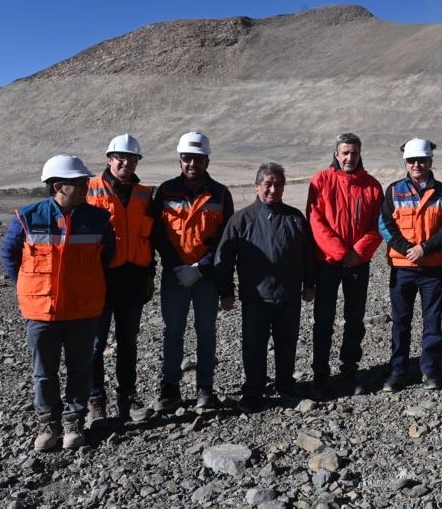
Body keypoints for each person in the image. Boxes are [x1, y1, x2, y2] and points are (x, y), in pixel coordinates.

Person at [0, 155, 115, 451]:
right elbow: (9, 256)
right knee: (44, 372)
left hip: (82, 309)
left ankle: (74, 421)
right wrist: (30, 286)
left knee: (80, 368)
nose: (86, 187)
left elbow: (107, 257)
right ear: (59, 185)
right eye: (80, 183)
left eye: (85, 182)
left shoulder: (99, 219)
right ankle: (48, 424)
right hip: (42, 312)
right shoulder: (27, 216)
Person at [216, 163, 316, 412]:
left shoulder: (294, 218)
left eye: (278, 184)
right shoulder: (241, 219)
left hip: (289, 295)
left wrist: (309, 285)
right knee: (253, 344)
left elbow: (308, 255)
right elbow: (224, 258)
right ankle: (253, 391)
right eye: (268, 184)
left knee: (287, 342)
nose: (273, 189)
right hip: (255, 297)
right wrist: (226, 292)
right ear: (257, 186)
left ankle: (286, 386)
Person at [150, 131, 233, 412]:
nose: (192, 164)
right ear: (180, 160)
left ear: (207, 161)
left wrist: (200, 268)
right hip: (174, 275)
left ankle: (205, 388)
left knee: (206, 332)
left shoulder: (220, 194)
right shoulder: (165, 191)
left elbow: (226, 238)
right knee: (173, 331)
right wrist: (177, 266)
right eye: (186, 158)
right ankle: (170, 388)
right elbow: (158, 234)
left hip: (205, 277)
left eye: (197, 159)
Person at [85, 134, 156, 426]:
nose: (126, 162)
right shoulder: (88, 189)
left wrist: (150, 273)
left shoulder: (144, 194)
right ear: (109, 158)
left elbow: (152, 236)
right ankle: (95, 401)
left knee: (128, 342)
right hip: (100, 278)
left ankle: (127, 397)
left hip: (134, 277)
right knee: (95, 343)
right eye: (120, 157)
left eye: (132, 158)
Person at [306, 132, 383, 399]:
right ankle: (321, 374)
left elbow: (377, 226)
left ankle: (349, 370)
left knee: (354, 318)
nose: (350, 157)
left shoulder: (372, 186)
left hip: (358, 264)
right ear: (336, 154)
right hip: (327, 262)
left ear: (360, 154)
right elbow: (316, 221)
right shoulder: (321, 181)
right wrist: (340, 253)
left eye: (354, 153)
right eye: (345, 153)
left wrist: (358, 253)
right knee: (323, 319)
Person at [378, 138, 442, 392]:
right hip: (402, 268)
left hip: (433, 269)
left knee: (432, 322)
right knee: (401, 323)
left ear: (430, 161)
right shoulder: (393, 191)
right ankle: (398, 372)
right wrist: (407, 250)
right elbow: (385, 226)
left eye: (421, 160)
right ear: (406, 163)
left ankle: (431, 371)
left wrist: (424, 248)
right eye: (412, 161)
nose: (417, 165)